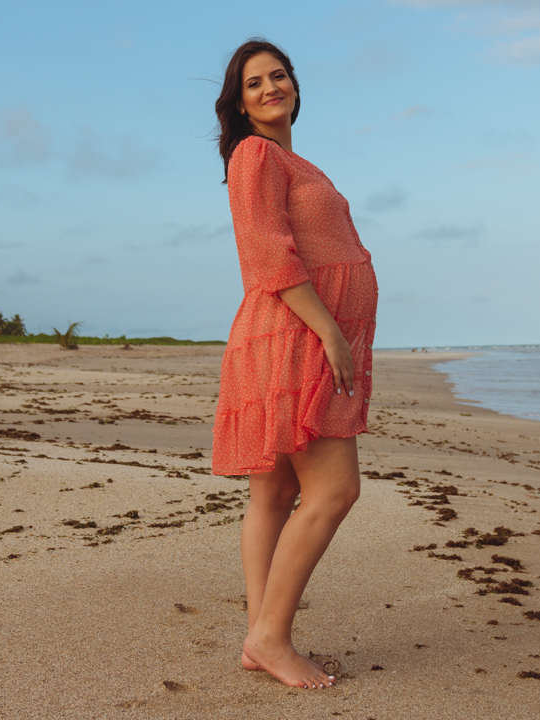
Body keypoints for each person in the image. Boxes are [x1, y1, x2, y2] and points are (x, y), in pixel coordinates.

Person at [211, 38, 379, 690]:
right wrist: (332, 335)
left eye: (278, 75)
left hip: (298, 331)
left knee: (277, 492)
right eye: (254, 83)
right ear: (240, 103)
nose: (270, 87)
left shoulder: (293, 159)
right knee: (335, 489)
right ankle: (272, 637)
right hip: (295, 334)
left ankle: (261, 637)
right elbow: (268, 258)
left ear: (295, 86)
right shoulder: (255, 155)